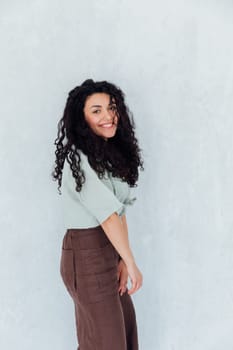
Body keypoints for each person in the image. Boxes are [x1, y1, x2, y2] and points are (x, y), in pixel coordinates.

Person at [51, 78, 144, 350]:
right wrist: (131, 261)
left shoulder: (108, 156)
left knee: (123, 334)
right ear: (81, 119)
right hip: (86, 253)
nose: (108, 116)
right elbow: (107, 216)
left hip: (109, 250)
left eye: (111, 108)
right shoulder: (78, 159)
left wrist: (123, 260)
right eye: (96, 110)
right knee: (106, 342)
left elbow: (119, 210)